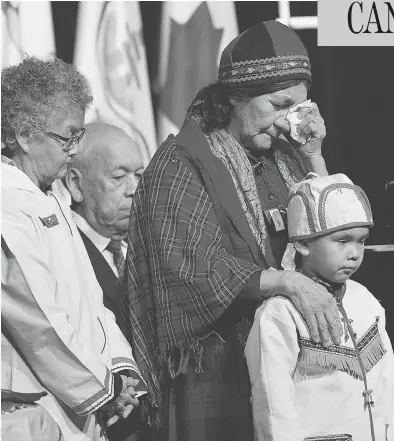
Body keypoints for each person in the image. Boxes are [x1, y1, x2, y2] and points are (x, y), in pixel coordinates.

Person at [121, 20, 343, 441]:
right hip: (217, 378)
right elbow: (190, 270)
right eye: (279, 105)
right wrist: (287, 283)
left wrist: (314, 159)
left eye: (298, 108)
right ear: (236, 97)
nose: (287, 123)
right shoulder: (180, 164)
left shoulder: (285, 159)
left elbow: (334, 237)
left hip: (288, 364)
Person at [1, 57, 144, 441]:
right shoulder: (6, 204)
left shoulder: (49, 199)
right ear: (25, 134)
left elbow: (89, 300)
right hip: (30, 407)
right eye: (69, 137)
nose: (75, 150)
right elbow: (38, 318)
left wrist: (120, 366)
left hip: (76, 400)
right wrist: (102, 386)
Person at [245, 173, 394, 441]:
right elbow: (273, 408)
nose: (354, 252)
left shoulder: (365, 300)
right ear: (302, 243)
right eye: (342, 240)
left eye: (361, 240)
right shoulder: (280, 313)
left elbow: (387, 383)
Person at [66, 122, 144, 339]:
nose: (134, 190)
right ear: (76, 184)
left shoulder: (149, 245)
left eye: (138, 175)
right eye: (119, 177)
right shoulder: (61, 249)